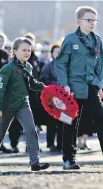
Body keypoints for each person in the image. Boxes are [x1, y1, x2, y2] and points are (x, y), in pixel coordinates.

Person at [0, 37, 50, 172]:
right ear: (14, 51)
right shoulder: (7, 68)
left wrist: (46, 88)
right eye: (24, 50)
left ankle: (35, 162)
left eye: (29, 50)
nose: (27, 53)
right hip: (6, 106)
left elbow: (31, 84)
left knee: (31, 130)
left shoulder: (28, 66)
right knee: (0, 134)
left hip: (23, 104)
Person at [55, 6, 103, 170]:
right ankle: (68, 159)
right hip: (73, 88)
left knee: (101, 119)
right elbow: (60, 64)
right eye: (88, 20)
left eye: (94, 20)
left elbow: (101, 65)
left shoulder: (97, 40)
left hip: (91, 86)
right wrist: (65, 85)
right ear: (79, 21)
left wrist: (99, 84)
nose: (92, 23)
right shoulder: (70, 40)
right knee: (70, 123)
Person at [40, 43, 63, 152]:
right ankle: (50, 143)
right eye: (55, 52)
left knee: (62, 121)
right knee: (52, 122)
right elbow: (43, 80)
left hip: (63, 98)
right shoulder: (48, 66)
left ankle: (61, 144)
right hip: (52, 98)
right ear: (52, 53)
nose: (57, 54)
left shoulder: (64, 66)